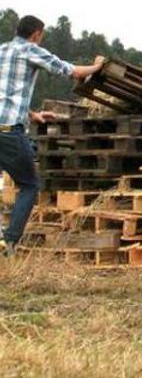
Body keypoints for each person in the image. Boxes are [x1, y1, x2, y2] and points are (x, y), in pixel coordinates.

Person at [0, 15, 106, 256]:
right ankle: (9, 243)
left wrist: (32, 114)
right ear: (36, 34)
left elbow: (5, 95)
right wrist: (98, 66)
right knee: (29, 184)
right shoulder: (30, 50)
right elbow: (72, 71)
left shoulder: (2, 50)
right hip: (8, 133)